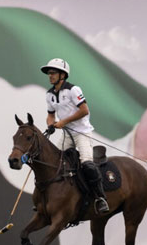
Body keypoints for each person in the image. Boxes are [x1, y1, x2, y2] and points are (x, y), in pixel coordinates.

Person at [42, 58, 109, 214]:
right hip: (67, 135)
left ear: (62, 75)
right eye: (49, 73)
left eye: (53, 73)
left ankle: (100, 198)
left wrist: (64, 121)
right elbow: (50, 115)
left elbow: (84, 110)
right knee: (53, 162)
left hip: (82, 133)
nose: (50, 76)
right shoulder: (49, 94)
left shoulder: (73, 90)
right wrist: (50, 125)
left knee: (87, 164)